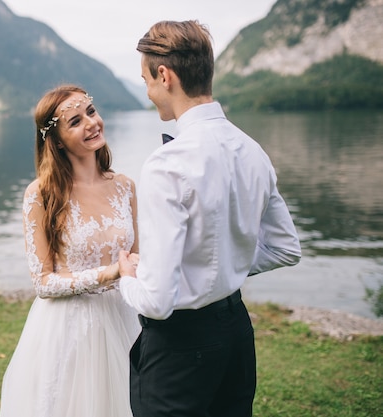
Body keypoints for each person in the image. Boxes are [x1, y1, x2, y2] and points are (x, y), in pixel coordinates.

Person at [115, 21, 302, 417]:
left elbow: (158, 301)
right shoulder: (253, 151)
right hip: (236, 335)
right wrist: (225, 264)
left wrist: (126, 276)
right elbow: (286, 249)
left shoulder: (167, 166)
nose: (149, 92)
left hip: (180, 350)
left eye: (146, 80)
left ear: (164, 76)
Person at [0, 84, 141, 417]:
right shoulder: (41, 194)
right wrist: (109, 273)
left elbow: (136, 259)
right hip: (69, 330)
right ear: (57, 140)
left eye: (90, 112)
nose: (91, 123)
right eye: (75, 121)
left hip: (124, 320)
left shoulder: (125, 187)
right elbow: (43, 283)